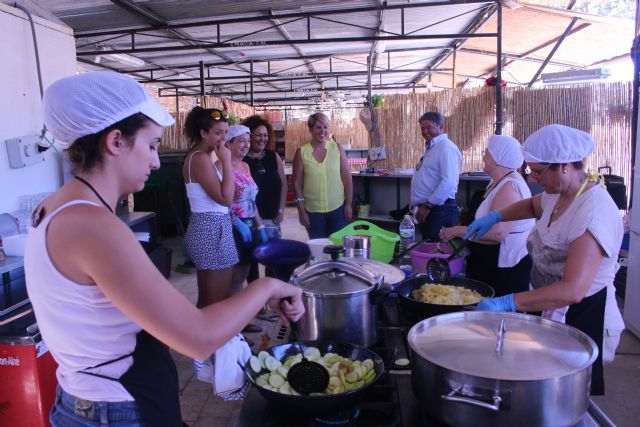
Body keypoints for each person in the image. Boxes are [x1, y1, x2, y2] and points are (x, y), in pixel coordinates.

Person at [26, 71, 304, 426]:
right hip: (117, 410)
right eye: (152, 145)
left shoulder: (54, 207)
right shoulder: (93, 226)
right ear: (116, 141)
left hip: (94, 401)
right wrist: (268, 286)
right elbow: (198, 337)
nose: (156, 162)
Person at [466, 124, 625, 395]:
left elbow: (572, 290)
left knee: (567, 394)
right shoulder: (559, 193)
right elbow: (531, 205)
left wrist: (508, 301)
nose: (533, 178)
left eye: (538, 172)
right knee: (540, 383)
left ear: (564, 166)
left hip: (584, 314)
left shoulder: (592, 212)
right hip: (551, 304)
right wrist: (496, 216)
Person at [440, 135, 534, 296]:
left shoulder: (510, 187)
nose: (483, 155)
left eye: (487, 152)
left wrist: (456, 231)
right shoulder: (497, 181)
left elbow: (497, 233)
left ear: (498, 159)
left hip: (505, 271)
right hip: (488, 265)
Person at [182, 106, 238, 308]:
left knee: (210, 299)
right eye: (218, 133)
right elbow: (226, 198)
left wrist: (222, 162)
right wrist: (227, 162)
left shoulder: (204, 157)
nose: (223, 139)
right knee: (216, 301)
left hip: (212, 228)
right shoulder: (199, 158)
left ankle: (202, 328)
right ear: (203, 133)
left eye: (225, 133)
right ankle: (207, 329)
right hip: (211, 230)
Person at [293, 112, 353, 239]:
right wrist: (301, 211)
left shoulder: (337, 149)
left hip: (337, 210)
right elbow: (297, 184)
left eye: (325, 127)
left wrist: (348, 203)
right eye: (318, 127)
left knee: (337, 246)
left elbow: (347, 179)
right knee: (319, 248)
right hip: (313, 212)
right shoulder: (301, 152)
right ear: (310, 129)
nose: (323, 131)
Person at [242, 115, 287, 282]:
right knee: (251, 262)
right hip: (249, 218)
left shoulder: (273, 156)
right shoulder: (241, 159)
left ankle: (272, 291)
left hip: (272, 217)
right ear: (249, 136)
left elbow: (283, 184)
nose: (263, 139)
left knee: (273, 259)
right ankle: (256, 295)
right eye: (258, 135)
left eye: (265, 135)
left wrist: (281, 209)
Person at [225, 125, 268, 297]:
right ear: (229, 143)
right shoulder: (222, 167)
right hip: (233, 227)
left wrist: (260, 226)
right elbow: (219, 202)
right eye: (241, 141)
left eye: (248, 141)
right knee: (235, 279)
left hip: (251, 225)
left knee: (246, 272)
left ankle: (245, 310)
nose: (247, 145)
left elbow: (251, 201)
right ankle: (234, 312)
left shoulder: (245, 166)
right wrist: (236, 223)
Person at [411, 112, 462, 242]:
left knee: (437, 251)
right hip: (430, 210)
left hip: (439, 210)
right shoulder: (433, 148)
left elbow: (449, 182)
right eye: (422, 128)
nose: (425, 132)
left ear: (441, 127)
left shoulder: (446, 147)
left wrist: (427, 206)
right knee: (430, 250)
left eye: (429, 127)